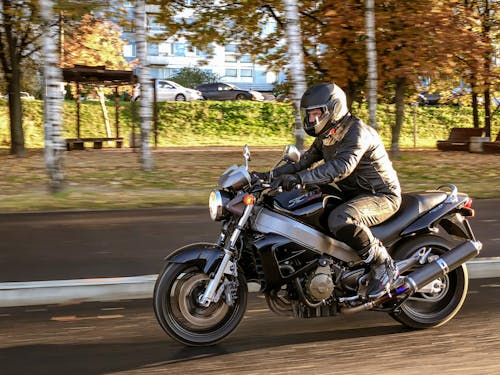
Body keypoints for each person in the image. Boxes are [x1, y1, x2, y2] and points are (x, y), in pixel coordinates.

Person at [255, 83, 401, 299]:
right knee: (309, 206)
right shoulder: (326, 137)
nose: (311, 119)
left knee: (340, 219)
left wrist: (298, 179)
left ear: (333, 109)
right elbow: (301, 163)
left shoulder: (357, 132)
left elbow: (341, 167)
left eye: (316, 113)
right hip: (353, 194)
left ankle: (383, 264)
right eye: (309, 114)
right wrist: (265, 177)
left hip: (380, 196)